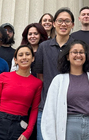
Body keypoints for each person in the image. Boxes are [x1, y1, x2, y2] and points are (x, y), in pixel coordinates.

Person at [41, 40, 89, 140]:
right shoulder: (58, 80)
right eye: (74, 52)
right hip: (68, 128)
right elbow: (50, 112)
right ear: (67, 56)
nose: (78, 55)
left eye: (81, 52)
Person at [33, 7, 75, 140]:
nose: (63, 24)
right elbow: (40, 75)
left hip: (72, 109)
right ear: (54, 24)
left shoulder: (78, 47)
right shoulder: (43, 47)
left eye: (67, 21)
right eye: (60, 21)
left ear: (72, 25)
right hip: (47, 107)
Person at [0, 45, 43, 140]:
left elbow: (34, 109)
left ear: (33, 58)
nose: (24, 57)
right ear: (15, 60)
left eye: (27, 54)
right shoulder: (3, 77)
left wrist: (28, 132)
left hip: (20, 127)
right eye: (20, 55)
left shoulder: (38, 83)